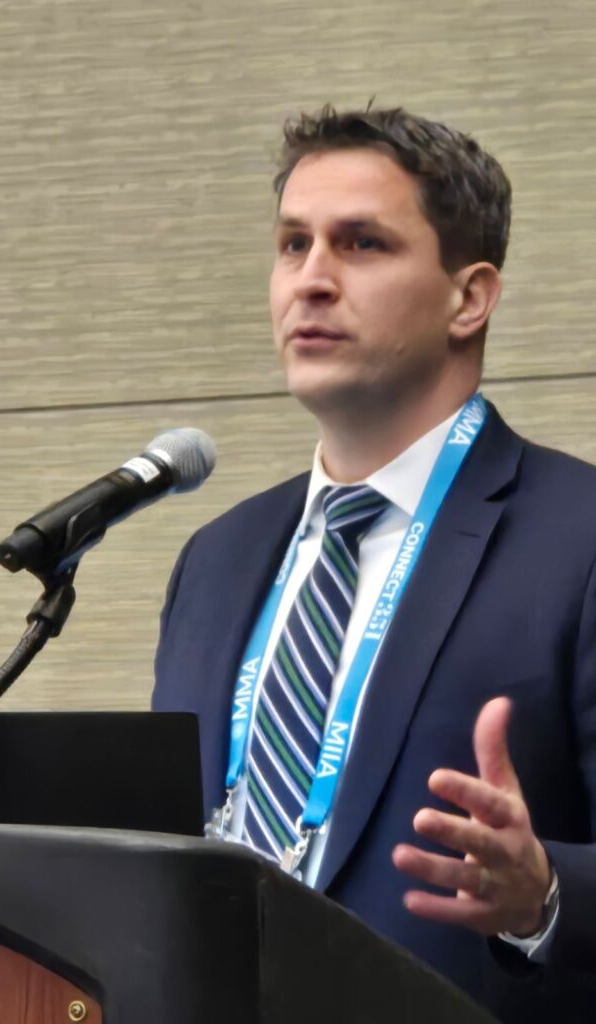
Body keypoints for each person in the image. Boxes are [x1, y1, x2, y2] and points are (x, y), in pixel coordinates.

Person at [152, 106, 596, 1022]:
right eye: (291, 245)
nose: (310, 281)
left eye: (360, 245)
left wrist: (545, 898)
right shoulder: (216, 559)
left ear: (468, 298)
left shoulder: (578, 537)